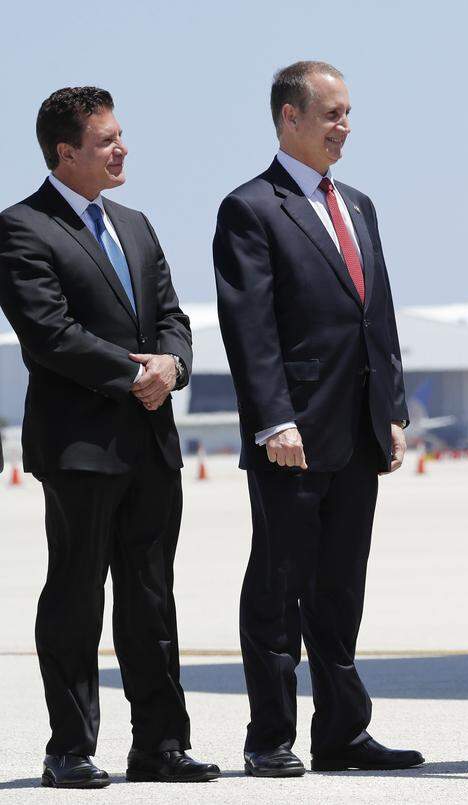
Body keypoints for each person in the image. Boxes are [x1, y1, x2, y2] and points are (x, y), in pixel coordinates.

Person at [0, 87, 218, 788]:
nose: (122, 149)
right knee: (76, 593)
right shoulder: (22, 228)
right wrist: (135, 373)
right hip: (81, 446)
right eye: (106, 141)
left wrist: (173, 365)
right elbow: (49, 334)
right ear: (66, 153)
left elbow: (174, 316)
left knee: (152, 594)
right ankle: (69, 747)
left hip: (151, 441)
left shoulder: (137, 223)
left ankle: (160, 744)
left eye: (121, 136)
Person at [213, 61, 422, 778]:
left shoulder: (357, 204)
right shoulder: (251, 208)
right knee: (278, 587)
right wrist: (273, 420)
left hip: (357, 433)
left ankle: (341, 731)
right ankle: (270, 734)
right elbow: (251, 327)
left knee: (340, 589)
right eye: (331, 114)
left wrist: (391, 409)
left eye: (348, 113)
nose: (345, 127)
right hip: (292, 438)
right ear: (289, 119)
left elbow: (378, 317)